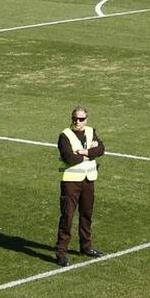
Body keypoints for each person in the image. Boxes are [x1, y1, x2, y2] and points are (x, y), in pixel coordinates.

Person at [55, 105, 106, 267]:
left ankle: (86, 247)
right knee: (67, 216)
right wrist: (89, 153)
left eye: (81, 119)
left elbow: (101, 149)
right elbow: (69, 157)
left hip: (88, 180)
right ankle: (61, 252)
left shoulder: (91, 131)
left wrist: (83, 152)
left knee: (86, 214)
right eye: (75, 118)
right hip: (71, 181)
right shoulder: (65, 135)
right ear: (72, 119)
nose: (78, 121)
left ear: (86, 119)